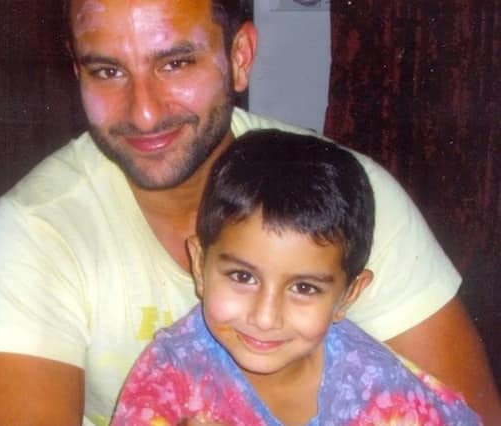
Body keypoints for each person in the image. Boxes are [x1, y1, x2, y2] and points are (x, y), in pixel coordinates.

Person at [0, 0, 501, 425]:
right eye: (107, 71)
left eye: (175, 63)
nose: (143, 112)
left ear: (240, 56)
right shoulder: (37, 230)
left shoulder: (345, 198)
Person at [111, 129, 481, 425]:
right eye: (242, 276)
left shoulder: (380, 390)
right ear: (199, 266)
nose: (265, 317)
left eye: (303, 287)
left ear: (347, 296)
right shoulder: (169, 376)